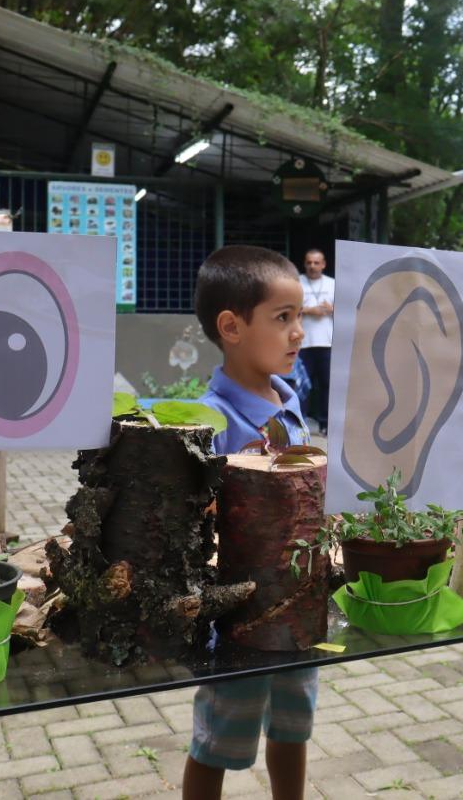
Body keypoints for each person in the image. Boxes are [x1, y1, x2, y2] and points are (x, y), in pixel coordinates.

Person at [185, 245, 316, 799]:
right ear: (231, 327)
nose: (298, 332)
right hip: (236, 616)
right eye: (282, 318)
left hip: (298, 604)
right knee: (219, 735)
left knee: (294, 724)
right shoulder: (209, 421)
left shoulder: (290, 404)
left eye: (300, 316)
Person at [298, 248, 334, 434]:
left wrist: (333, 309)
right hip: (302, 342)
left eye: (316, 262)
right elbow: (287, 308)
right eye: (309, 262)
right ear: (305, 264)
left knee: (327, 384)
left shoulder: (332, 284)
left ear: (323, 264)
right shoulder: (296, 282)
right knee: (302, 385)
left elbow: (348, 310)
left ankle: (325, 424)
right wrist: (309, 310)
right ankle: (300, 423)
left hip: (327, 342)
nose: (312, 266)